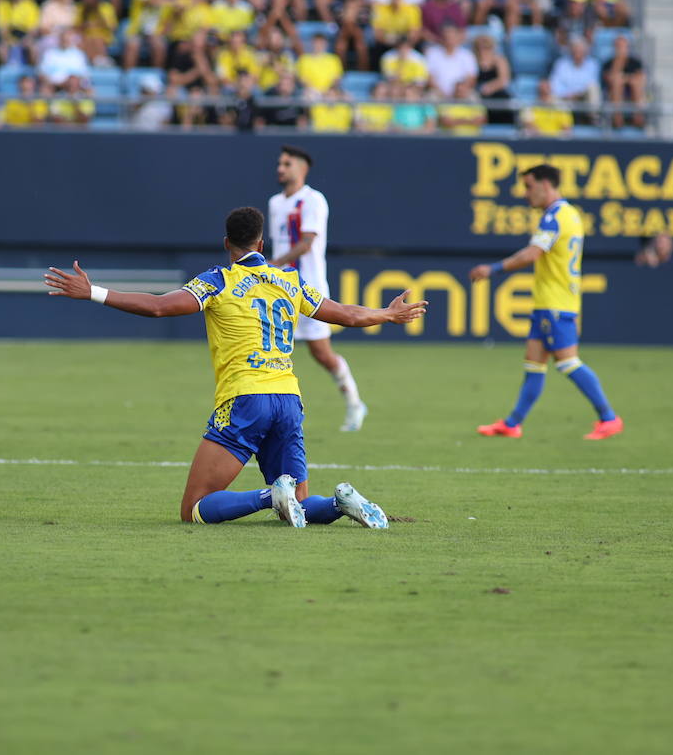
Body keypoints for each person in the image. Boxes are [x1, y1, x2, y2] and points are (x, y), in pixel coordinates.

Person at [43, 207, 427, 527]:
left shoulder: (218, 281)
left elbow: (159, 307)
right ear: (261, 244)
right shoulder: (289, 280)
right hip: (288, 399)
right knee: (297, 507)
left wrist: (93, 292)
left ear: (227, 243)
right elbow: (345, 314)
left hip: (245, 399)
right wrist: (387, 314)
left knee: (194, 507)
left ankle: (269, 495)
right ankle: (339, 503)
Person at [469, 164, 622, 440]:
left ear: (546, 184)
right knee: (534, 364)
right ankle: (512, 424)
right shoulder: (569, 214)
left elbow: (532, 253)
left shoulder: (555, 216)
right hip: (550, 303)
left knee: (568, 362)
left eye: (529, 186)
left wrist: (492, 269)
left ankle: (609, 418)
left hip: (556, 304)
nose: (525, 193)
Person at [266, 147, 368, 431]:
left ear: (302, 168)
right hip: (280, 289)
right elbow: (280, 243)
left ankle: (355, 403)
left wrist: (273, 264)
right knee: (271, 351)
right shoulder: (275, 203)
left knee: (322, 354)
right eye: (279, 163)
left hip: (309, 290)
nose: (280, 168)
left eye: (287, 163)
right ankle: (271, 413)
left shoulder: (313, 200)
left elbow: (306, 243)